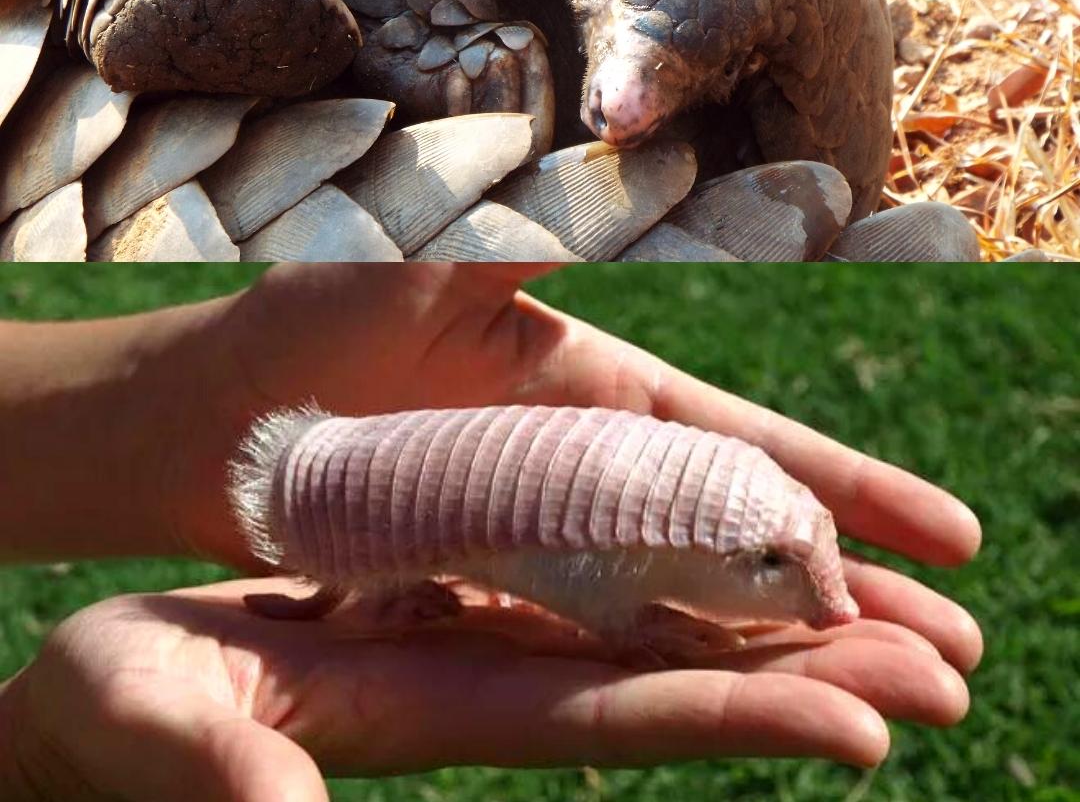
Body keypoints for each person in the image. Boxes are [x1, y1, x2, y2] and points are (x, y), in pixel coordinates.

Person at [0, 264, 983, 801]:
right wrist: (628, 629)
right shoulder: (635, 537)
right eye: (778, 569)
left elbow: (546, 558)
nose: (822, 604)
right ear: (716, 543)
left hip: (373, 482)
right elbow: (559, 572)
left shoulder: (670, 518)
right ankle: (379, 591)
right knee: (468, 528)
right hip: (366, 498)